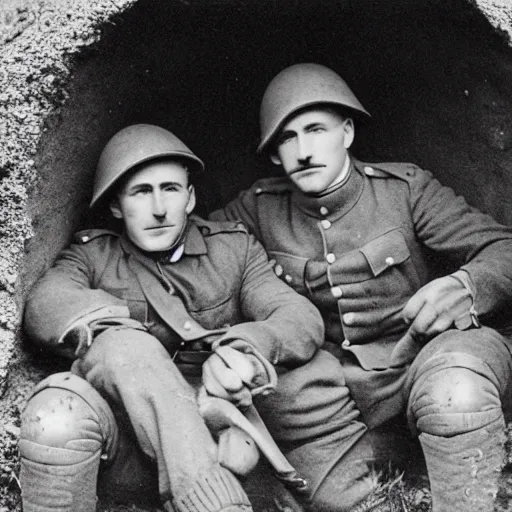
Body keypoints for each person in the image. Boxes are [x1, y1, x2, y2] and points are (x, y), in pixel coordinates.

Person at [210, 63, 512, 512]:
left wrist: (467, 285)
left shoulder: (405, 189)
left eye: (316, 129)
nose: (304, 150)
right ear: (274, 154)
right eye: (287, 138)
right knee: (314, 486)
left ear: (347, 132)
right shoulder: (256, 209)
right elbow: (193, 253)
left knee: (457, 395)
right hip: (334, 406)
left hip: (423, 365)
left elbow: (502, 248)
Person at [19, 124, 326, 512]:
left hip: (219, 444)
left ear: (190, 198)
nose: (159, 209)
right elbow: (47, 302)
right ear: (116, 206)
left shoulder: (232, 249)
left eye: (170, 189)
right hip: (129, 448)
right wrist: (119, 335)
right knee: (56, 415)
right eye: (141, 192)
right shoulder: (92, 256)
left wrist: (246, 351)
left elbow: (297, 315)